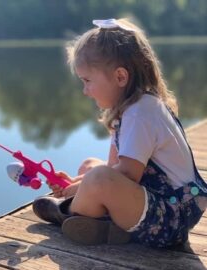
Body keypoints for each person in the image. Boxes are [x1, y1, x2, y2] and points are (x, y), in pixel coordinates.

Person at [32, 18, 207, 248]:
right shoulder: (128, 112)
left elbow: (127, 175)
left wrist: (78, 189)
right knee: (90, 166)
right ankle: (109, 226)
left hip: (171, 218)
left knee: (98, 178)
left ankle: (67, 212)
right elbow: (114, 165)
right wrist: (76, 182)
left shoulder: (140, 113)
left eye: (87, 81)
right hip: (157, 205)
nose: (85, 91)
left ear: (120, 77)